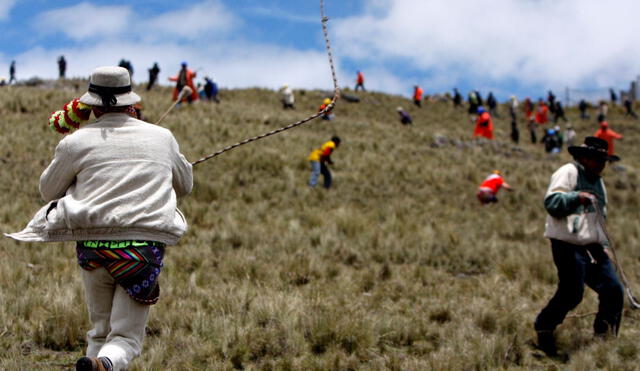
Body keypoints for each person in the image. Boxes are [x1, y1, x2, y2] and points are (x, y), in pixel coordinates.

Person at [5, 66, 193, 370]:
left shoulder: (75, 142)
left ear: (91, 106)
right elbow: (185, 185)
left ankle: (95, 362)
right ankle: (105, 363)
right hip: (141, 253)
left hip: (93, 249)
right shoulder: (163, 137)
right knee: (126, 339)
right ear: (131, 102)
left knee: (99, 331)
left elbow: (48, 190)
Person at [534, 136, 623, 357]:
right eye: (597, 159)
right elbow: (552, 203)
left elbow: (600, 216)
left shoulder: (598, 181)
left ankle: (604, 339)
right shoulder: (568, 172)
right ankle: (544, 328)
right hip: (567, 244)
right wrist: (576, 197)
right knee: (572, 292)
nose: (602, 164)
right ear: (584, 157)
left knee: (613, 290)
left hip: (592, 246)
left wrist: (603, 243)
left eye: (603, 160)